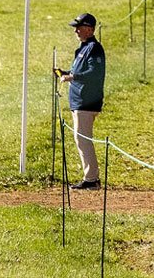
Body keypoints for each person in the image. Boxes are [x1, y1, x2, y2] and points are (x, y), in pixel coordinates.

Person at [54, 12, 105, 190]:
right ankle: (91, 177)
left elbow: (93, 73)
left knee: (83, 139)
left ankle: (92, 179)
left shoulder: (94, 49)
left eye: (79, 27)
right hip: (79, 101)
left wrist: (72, 77)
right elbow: (80, 72)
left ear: (90, 30)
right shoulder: (84, 48)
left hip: (86, 101)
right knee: (80, 138)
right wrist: (64, 72)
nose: (76, 31)